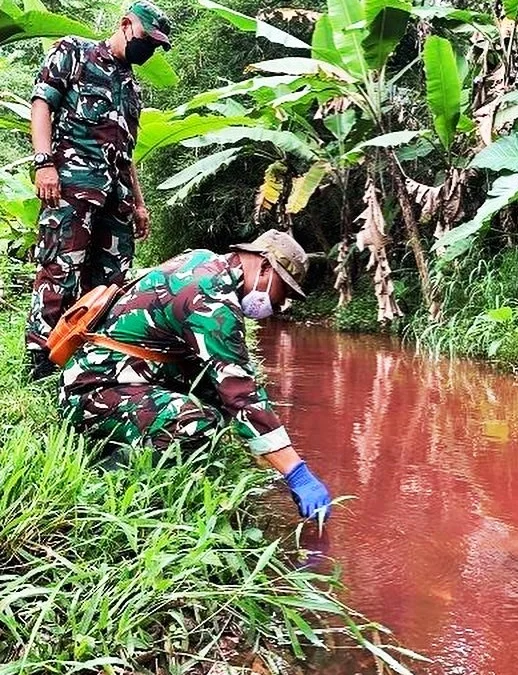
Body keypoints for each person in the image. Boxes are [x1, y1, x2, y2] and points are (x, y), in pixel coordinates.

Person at [58, 229, 333, 521]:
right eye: (283, 291)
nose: (279, 305)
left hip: (110, 377)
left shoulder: (202, 262)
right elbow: (241, 394)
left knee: (216, 400)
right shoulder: (213, 299)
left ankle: (136, 445)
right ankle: (117, 477)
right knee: (199, 422)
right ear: (264, 266)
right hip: (93, 392)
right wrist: (297, 473)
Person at [26, 0, 172, 380]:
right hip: (71, 186)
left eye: (156, 46)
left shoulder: (132, 89)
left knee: (111, 280)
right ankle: (41, 355)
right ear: (126, 25)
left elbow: (127, 153)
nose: (149, 49)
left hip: (116, 197)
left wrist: (139, 204)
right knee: (60, 267)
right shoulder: (75, 52)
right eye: (147, 39)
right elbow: (42, 103)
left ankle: (88, 354)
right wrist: (44, 163)